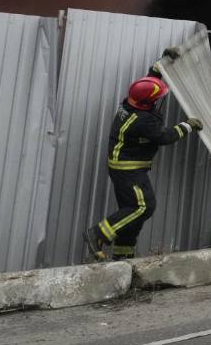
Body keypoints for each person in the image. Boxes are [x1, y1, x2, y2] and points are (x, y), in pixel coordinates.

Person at [83, 72, 202, 261]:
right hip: (129, 170)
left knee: (131, 215)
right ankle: (97, 234)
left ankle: (123, 258)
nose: (159, 101)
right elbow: (164, 136)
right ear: (147, 103)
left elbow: (145, 89)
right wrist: (187, 126)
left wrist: (156, 70)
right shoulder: (143, 121)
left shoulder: (129, 103)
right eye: (157, 99)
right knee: (143, 206)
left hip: (122, 167)